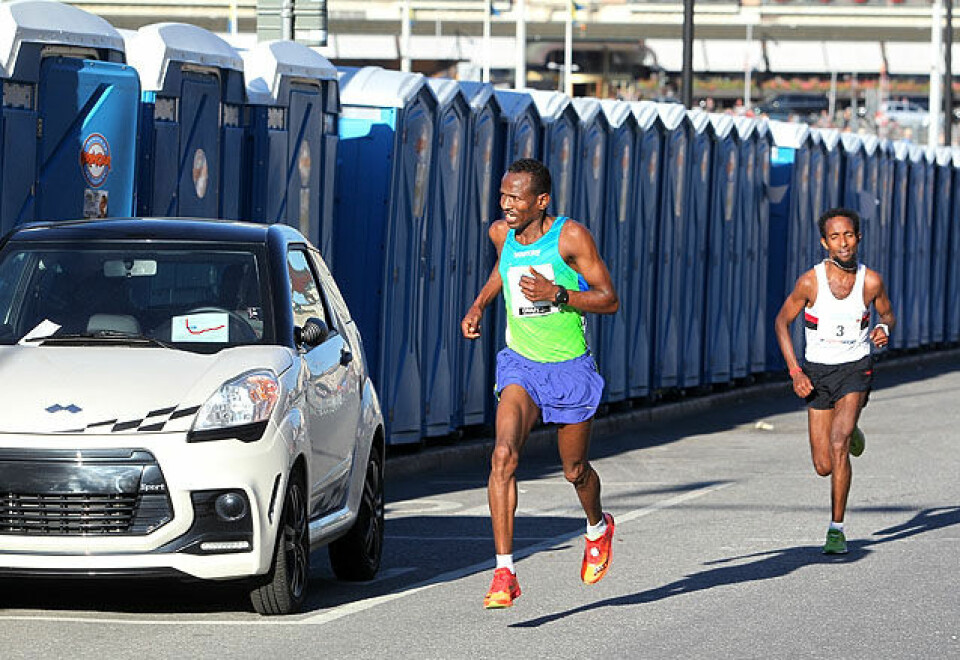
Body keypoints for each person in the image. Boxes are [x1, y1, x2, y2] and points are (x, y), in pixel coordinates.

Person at [461, 158, 619, 608]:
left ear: (541, 201)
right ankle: (504, 572)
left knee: (575, 470)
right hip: (521, 366)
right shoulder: (501, 233)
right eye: (503, 196)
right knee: (503, 455)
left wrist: (558, 295)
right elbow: (502, 269)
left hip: (569, 368)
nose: (506, 205)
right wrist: (479, 306)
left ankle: (597, 526)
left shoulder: (570, 237)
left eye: (516, 198)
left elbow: (609, 299)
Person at [774, 208, 895, 555]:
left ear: (858, 238)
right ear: (825, 243)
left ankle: (836, 528)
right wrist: (796, 372)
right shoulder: (809, 282)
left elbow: (887, 314)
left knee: (839, 444)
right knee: (823, 465)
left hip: (855, 368)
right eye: (835, 237)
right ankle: (852, 428)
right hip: (816, 372)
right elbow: (782, 322)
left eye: (849, 235)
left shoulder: (870, 281)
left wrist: (883, 329)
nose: (843, 243)